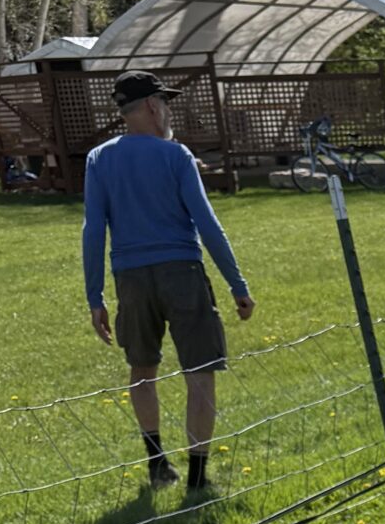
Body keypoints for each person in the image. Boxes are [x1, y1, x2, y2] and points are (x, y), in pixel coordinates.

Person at [82, 71, 255, 495]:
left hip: (130, 280)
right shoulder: (176, 155)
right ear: (153, 106)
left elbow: (93, 229)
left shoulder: (99, 158)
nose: (169, 110)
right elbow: (207, 224)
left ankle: (157, 463)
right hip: (182, 272)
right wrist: (237, 284)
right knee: (200, 371)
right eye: (167, 103)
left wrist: (95, 296)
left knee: (142, 368)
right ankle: (198, 476)